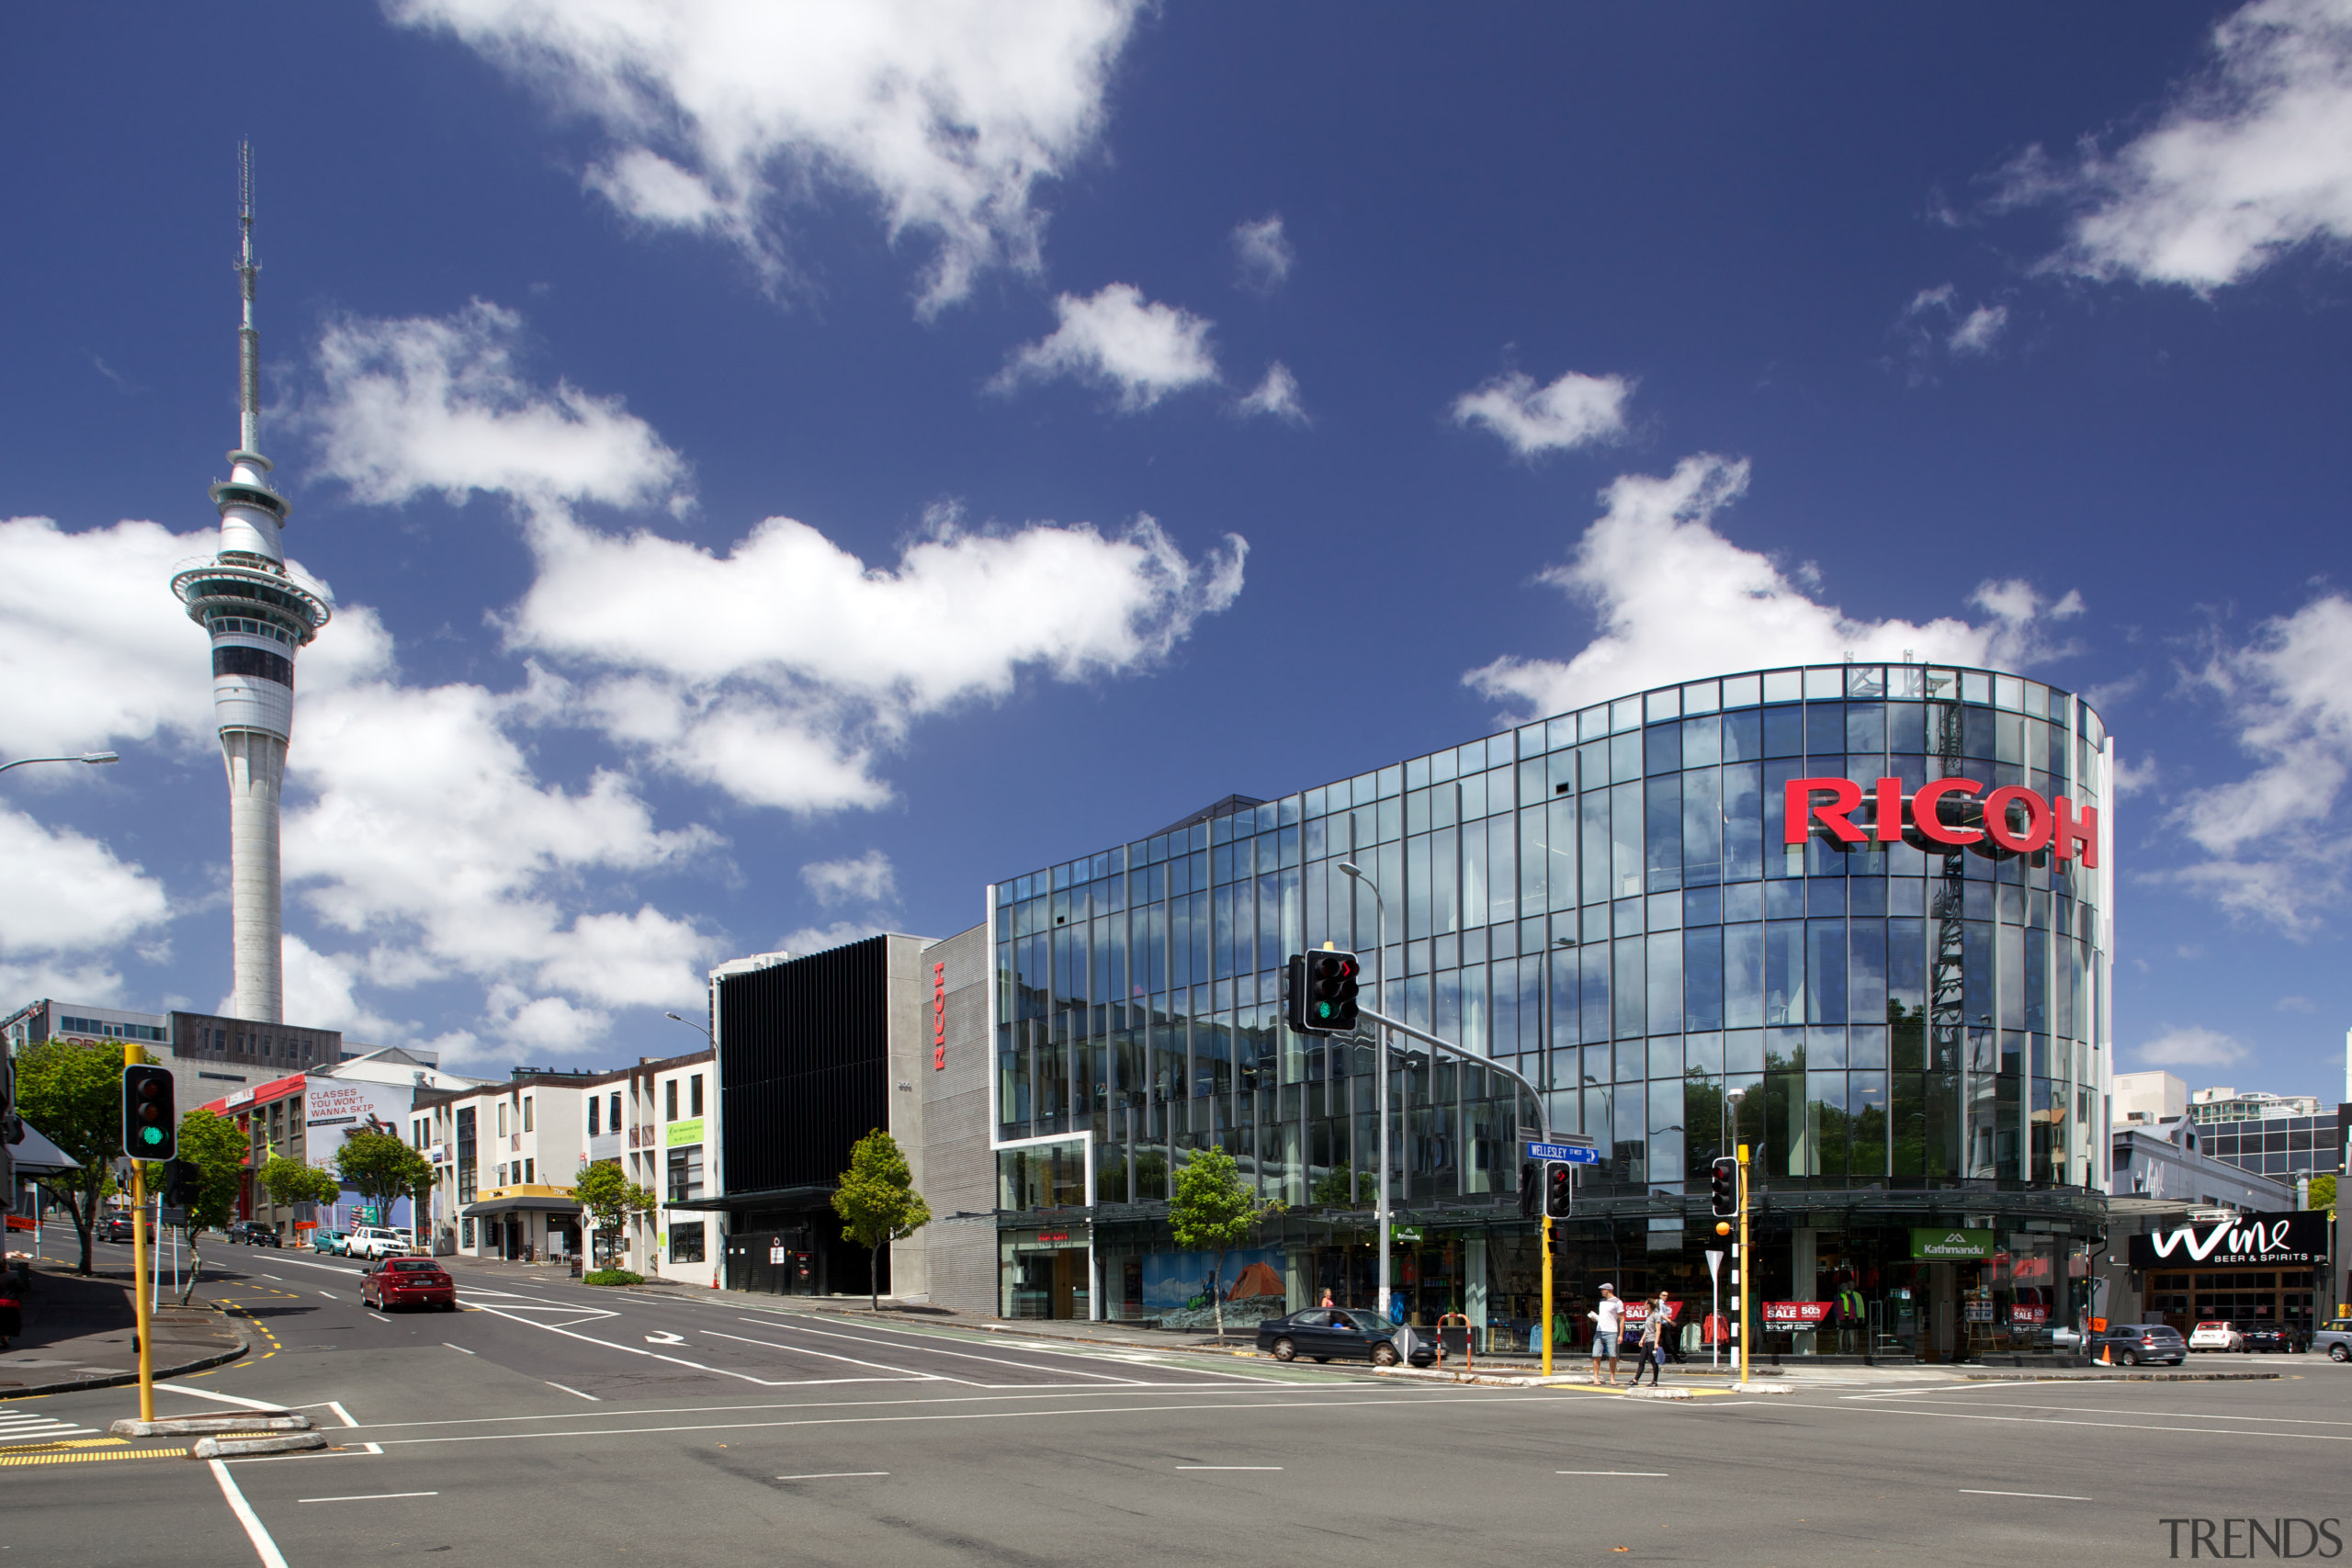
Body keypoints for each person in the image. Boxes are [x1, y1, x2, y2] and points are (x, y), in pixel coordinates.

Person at [1588, 1283, 1625, 1385]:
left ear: (1607, 1290)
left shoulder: (1617, 1302)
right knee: (1596, 1354)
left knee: (1612, 1355)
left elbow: (1622, 1319)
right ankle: (1596, 1377)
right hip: (1599, 1330)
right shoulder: (1602, 1302)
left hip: (1611, 1331)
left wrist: (1621, 1334)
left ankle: (1612, 1377)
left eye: (1602, 1290)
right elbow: (1604, 1316)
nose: (1601, 1292)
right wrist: (1595, 1318)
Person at [1631, 1292, 1670, 1386]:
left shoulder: (1656, 1315)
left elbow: (1658, 1330)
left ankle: (1654, 1381)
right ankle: (1635, 1380)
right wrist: (1642, 1339)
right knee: (1641, 1360)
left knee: (1653, 1362)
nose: (1644, 1306)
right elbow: (1646, 1330)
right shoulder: (1648, 1315)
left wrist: (1656, 1343)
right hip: (1647, 1340)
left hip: (1652, 1341)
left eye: (1645, 1304)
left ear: (1649, 1305)